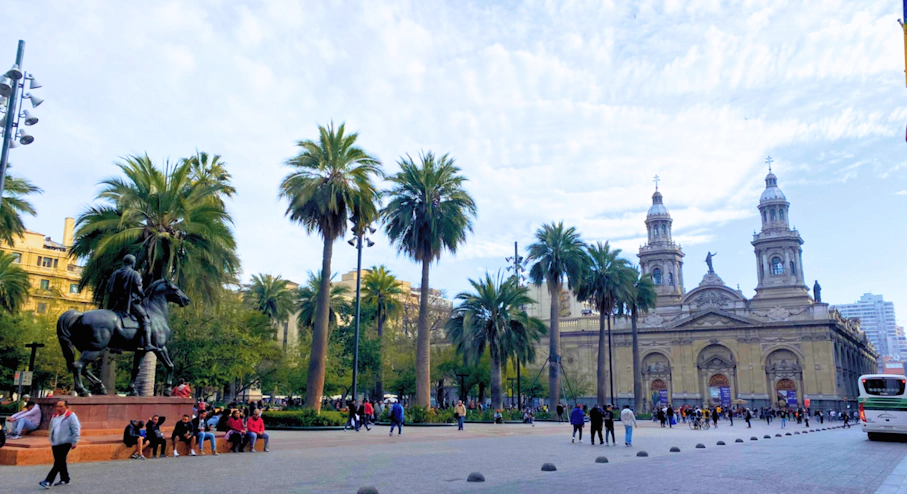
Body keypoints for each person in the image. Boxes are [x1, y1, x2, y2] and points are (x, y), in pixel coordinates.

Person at [107, 254, 157, 351]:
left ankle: (116, 346)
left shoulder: (115, 273)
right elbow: (138, 289)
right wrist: (142, 296)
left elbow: (110, 289)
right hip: (130, 303)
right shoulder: (134, 274)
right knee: (145, 319)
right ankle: (147, 344)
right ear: (132, 263)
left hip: (116, 304)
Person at [39, 400, 80, 489]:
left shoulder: (71, 416)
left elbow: (76, 429)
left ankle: (48, 481)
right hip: (55, 442)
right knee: (61, 461)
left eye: (61, 406)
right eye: (57, 406)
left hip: (66, 442)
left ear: (66, 407)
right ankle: (65, 478)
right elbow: (51, 427)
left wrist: (74, 441)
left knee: (58, 462)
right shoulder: (55, 416)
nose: (58, 408)